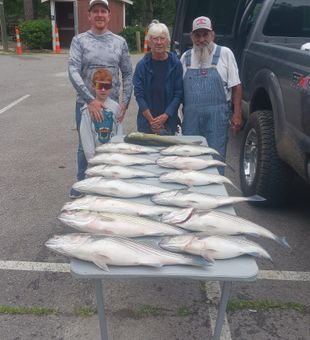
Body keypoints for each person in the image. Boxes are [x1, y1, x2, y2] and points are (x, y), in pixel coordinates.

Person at [68, 0, 133, 198]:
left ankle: (109, 182)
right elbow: (73, 70)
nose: (99, 15)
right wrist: (90, 100)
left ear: (108, 15)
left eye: (102, 11)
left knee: (112, 144)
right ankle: (83, 182)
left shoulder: (119, 42)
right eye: (95, 11)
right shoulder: (79, 41)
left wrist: (124, 103)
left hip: (111, 107)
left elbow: (128, 74)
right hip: (86, 105)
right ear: (89, 15)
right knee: (84, 146)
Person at [180, 16, 242, 174]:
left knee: (215, 158)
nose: (201, 39)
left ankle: (216, 195)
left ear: (212, 35)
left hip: (217, 116)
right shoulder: (185, 58)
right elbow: (178, 91)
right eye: (197, 35)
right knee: (191, 158)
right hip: (191, 117)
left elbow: (236, 86)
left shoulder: (225, 53)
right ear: (192, 36)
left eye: (205, 34)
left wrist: (237, 115)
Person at [133, 22, 183, 135]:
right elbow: (139, 95)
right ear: (149, 42)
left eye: (162, 38)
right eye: (155, 39)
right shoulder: (142, 66)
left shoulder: (176, 64)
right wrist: (152, 121)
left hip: (169, 121)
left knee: (169, 152)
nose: (159, 42)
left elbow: (178, 94)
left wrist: (165, 116)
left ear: (168, 41)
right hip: (146, 122)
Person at [80, 68, 121, 162]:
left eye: (106, 86)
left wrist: (117, 153)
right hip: (95, 157)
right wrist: (91, 159)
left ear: (111, 87)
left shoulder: (115, 107)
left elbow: (119, 131)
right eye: (99, 86)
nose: (103, 89)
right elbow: (86, 136)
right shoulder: (87, 109)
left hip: (112, 156)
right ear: (93, 86)